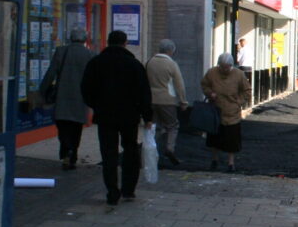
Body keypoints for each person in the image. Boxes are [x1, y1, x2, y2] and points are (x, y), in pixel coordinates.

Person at [81, 30, 153, 206]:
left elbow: (86, 89)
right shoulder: (134, 65)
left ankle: (112, 191)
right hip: (129, 116)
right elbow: (144, 93)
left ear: (108, 42)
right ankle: (129, 189)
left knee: (109, 153)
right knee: (130, 150)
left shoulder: (96, 63)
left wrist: (96, 105)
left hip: (105, 115)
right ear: (125, 43)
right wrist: (147, 116)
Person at [39, 28, 94, 170]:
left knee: (62, 126)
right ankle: (72, 153)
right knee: (76, 128)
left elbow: (51, 73)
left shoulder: (61, 51)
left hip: (62, 95)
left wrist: (42, 90)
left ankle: (66, 151)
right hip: (80, 97)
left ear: (71, 38)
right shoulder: (90, 55)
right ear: (85, 39)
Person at [201, 52, 251, 172]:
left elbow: (247, 91)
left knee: (232, 139)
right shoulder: (212, 73)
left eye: (227, 67)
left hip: (232, 112)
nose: (224, 69)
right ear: (219, 65)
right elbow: (204, 85)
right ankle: (214, 159)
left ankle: (231, 162)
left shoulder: (238, 74)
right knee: (214, 138)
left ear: (231, 65)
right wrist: (209, 93)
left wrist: (238, 102)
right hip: (215, 111)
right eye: (222, 67)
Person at [145, 39, 189, 168]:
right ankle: (169, 148)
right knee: (172, 126)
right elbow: (179, 84)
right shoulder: (171, 64)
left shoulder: (149, 62)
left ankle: (151, 152)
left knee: (154, 127)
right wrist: (183, 101)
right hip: (167, 100)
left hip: (151, 99)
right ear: (171, 51)